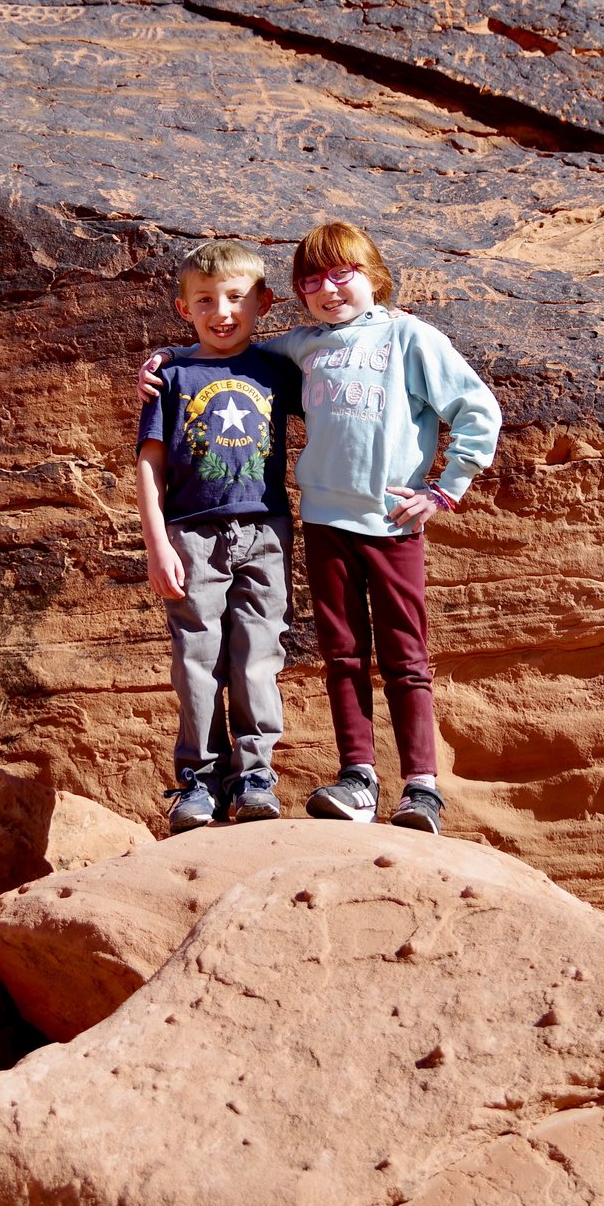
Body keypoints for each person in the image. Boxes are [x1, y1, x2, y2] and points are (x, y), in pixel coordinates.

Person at [142, 221, 500, 834]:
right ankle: (358, 777)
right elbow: (230, 348)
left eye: (343, 275)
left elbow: (476, 410)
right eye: (313, 280)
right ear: (297, 294)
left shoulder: (409, 337)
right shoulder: (301, 346)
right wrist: (168, 357)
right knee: (342, 654)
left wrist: (444, 489)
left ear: (374, 275)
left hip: (389, 523)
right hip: (322, 520)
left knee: (406, 656)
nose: (329, 290)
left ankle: (422, 788)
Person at [134, 240, 300, 834]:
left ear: (264, 302)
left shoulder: (278, 369)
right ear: (184, 308)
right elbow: (149, 462)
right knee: (196, 660)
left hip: (265, 529)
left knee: (258, 654)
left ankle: (255, 775)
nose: (221, 311)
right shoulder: (173, 375)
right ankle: (198, 780)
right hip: (191, 535)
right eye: (205, 300)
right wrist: (156, 544)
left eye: (235, 297)